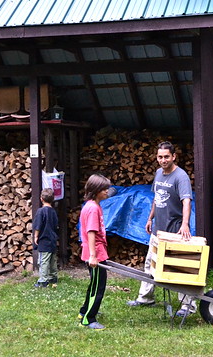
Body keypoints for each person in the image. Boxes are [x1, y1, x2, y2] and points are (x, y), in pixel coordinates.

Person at [126, 141, 196, 317]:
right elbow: (156, 198)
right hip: (158, 229)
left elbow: (186, 201)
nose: (163, 160)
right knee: (150, 264)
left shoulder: (181, 177)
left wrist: (185, 224)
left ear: (173, 157)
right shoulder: (158, 174)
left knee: (179, 268)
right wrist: (150, 218)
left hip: (175, 230)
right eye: (160, 157)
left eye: (166, 156)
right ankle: (145, 298)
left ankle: (187, 306)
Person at [78, 174, 111, 330]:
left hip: (98, 252)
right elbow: (91, 232)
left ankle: (84, 310)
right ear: (96, 190)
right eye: (104, 189)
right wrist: (93, 256)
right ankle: (88, 318)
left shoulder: (92, 205)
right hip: (95, 253)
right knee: (98, 287)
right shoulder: (92, 208)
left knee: (94, 285)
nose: (107, 191)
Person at [32, 188, 59, 288]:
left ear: (41, 198)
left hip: (44, 239)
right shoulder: (53, 212)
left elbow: (38, 225)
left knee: (44, 260)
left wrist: (36, 236)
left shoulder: (41, 211)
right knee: (52, 260)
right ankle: (53, 277)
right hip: (52, 239)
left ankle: (43, 281)